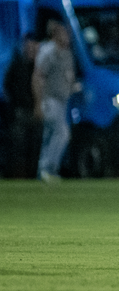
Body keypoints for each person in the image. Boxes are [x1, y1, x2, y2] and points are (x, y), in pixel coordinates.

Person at [32, 18, 76, 182]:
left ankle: (42, 172)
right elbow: (38, 76)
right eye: (65, 32)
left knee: (50, 136)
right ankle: (48, 168)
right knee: (62, 133)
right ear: (56, 33)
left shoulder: (66, 52)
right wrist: (38, 103)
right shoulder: (48, 51)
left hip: (62, 101)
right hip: (50, 100)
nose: (68, 36)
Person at [3, 33, 43, 178]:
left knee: (34, 146)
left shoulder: (40, 66)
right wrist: (16, 102)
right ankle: (17, 175)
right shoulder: (18, 64)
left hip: (36, 111)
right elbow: (8, 85)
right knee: (18, 146)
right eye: (29, 46)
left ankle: (32, 175)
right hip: (21, 111)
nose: (31, 49)